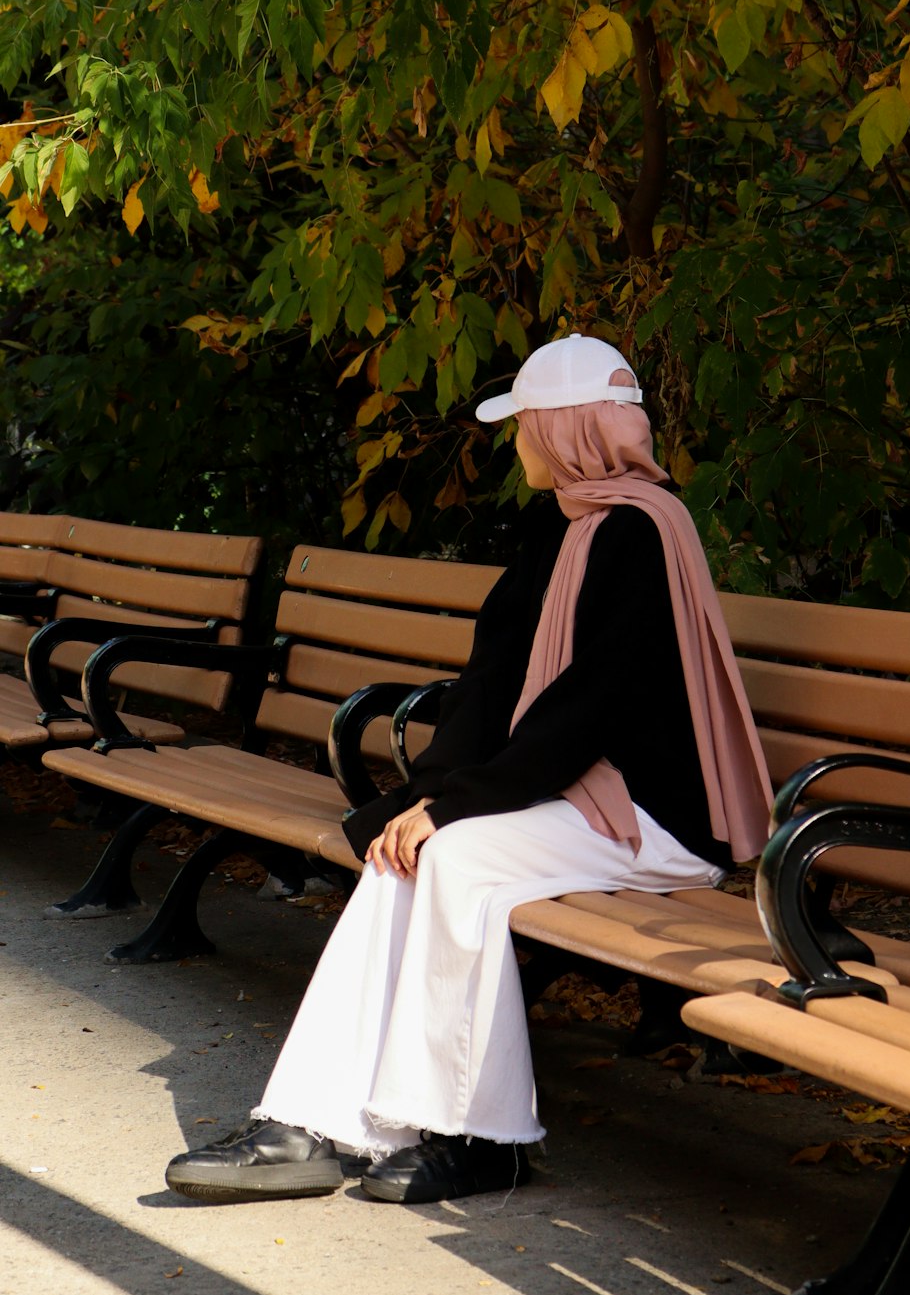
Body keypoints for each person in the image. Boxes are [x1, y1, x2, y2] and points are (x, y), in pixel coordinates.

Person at [165, 333, 772, 1207]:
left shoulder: (642, 533)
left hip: (653, 817)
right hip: (571, 797)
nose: (517, 440)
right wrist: (425, 799)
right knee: (403, 849)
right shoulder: (553, 524)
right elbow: (492, 684)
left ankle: (482, 1136)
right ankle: (311, 1122)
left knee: (458, 854)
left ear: (566, 427)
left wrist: (459, 811)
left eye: (525, 422)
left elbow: (593, 705)